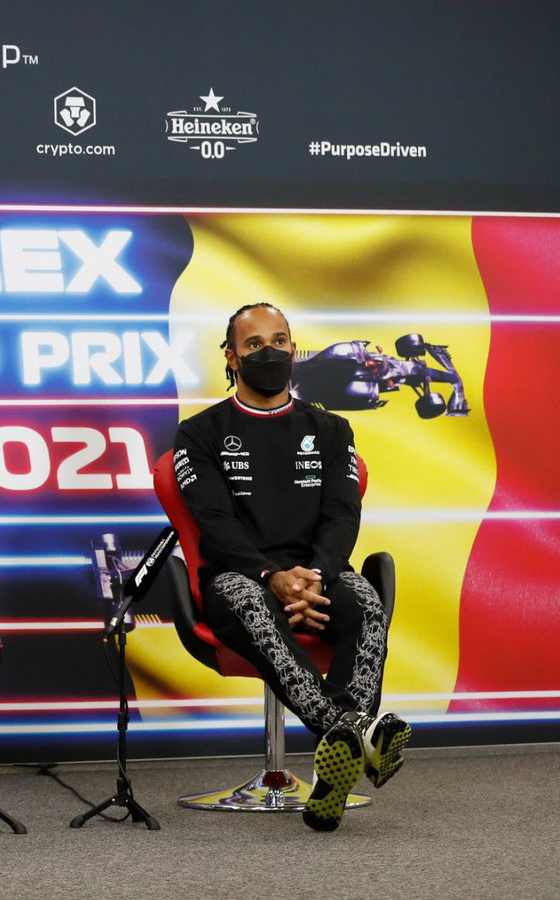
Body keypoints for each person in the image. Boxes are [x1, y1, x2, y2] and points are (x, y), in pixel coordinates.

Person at [172, 302, 411, 832]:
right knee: (248, 598)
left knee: (367, 604)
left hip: (320, 574)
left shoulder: (331, 429)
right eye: (255, 345)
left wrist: (317, 574)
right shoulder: (199, 432)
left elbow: (343, 515)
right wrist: (270, 575)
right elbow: (214, 523)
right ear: (232, 358)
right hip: (239, 578)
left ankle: (333, 779)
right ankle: (355, 732)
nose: (270, 352)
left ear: (295, 351)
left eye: (280, 341)